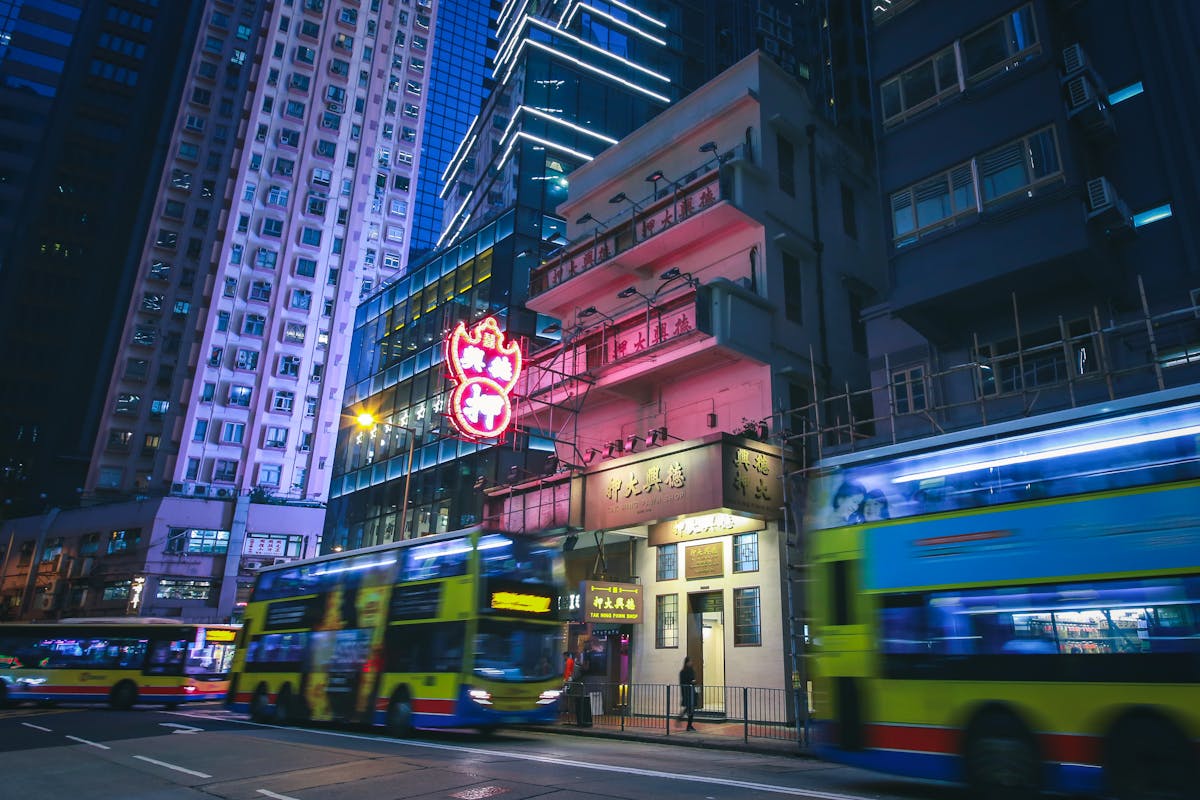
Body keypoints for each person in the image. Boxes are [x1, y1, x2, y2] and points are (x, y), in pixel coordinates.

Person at [677, 656, 697, 731]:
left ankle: (685, 721)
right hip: (687, 691)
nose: (691, 663)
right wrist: (692, 682)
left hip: (692, 691)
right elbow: (684, 682)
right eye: (690, 661)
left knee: (690, 708)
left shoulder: (691, 670)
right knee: (690, 708)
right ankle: (688, 725)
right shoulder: (683, 672)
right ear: (687, 662)